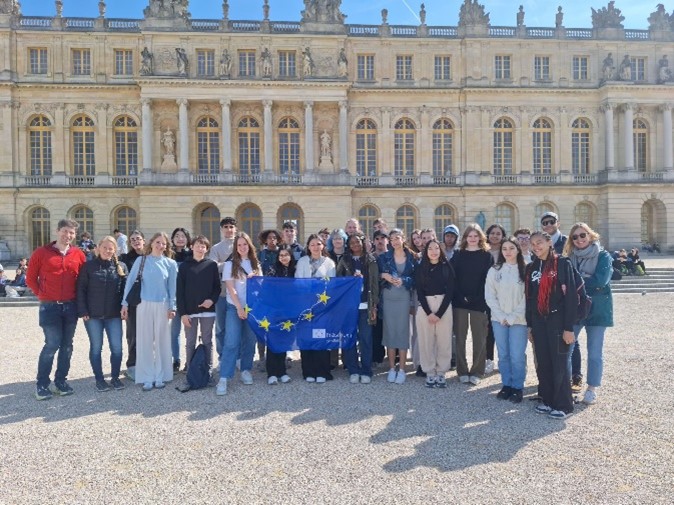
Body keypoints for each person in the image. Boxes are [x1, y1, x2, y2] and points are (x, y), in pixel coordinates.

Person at [27, 219, 87, 400]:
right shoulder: (41, 252)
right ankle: (42, 385)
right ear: (57, 231)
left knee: (67, 346)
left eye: (71, 233)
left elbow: (83, 281)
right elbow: (30, 278)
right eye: (65, 231)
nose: (68, 235)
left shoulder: (78, 254)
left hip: (70, 306)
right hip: (50, 306)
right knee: (52, 344)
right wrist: (42, 294)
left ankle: (60, 381)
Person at [526, 231, 577, 420]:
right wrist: (530, 325)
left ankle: (564, 405)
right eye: (532, 244)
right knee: (544, 362)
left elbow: (571, 296)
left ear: (549, 243)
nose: (536, 247)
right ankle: (547, 400)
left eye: (539, 242)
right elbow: (529, 299)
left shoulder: (562, 264)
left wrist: (569, 327)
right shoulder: (531, 267)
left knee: (559, 363)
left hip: (558, 320)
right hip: (539, 321)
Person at [563, 223, 613, 406]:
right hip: (575, 309)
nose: (579, 239)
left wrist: (575, 283)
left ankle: (592, 389)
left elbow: (601, 280)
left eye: (582, 235)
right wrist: (582, 281)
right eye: (575, 237)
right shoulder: (569, 258)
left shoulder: (603, 256)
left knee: (594, 352)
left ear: (591, 235)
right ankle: (564, 387)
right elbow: (564, 282)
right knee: (566, 350)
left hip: (598, 309)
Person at [121, 232, 178, 391]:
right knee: (144, 341)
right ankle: (146, 376)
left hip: (162, 305)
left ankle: (160, 375)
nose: (160, 245)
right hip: (144, 304)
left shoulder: (170, 264)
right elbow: (130, 283)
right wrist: (124, 303)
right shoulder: (141, 260)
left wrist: (172, 306)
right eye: (158, 242)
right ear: (151, 243)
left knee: (161, 341)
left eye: (164, 243)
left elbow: (172, 288)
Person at [76, 236, 128, 392]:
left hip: (114, 315)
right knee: (96, 348)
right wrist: (83, 310)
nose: (107, 251)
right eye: (104, 247)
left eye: (110, 248)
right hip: (93, 315)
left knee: (117, 348)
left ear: (115, 250)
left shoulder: (121, 267)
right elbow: (81, 289)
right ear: (98, 248)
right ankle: (99, 379)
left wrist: (125, 308)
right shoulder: (88, 266)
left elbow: (125, 291)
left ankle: (115, 378)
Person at [216, 232, 262, 396]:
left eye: (245, 244)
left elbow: (260, 288)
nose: (242, 247)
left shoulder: (256, 264)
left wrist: (255, 279)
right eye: (239, 245)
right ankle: (224, 377)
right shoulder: (230, 265)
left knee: (249, 340)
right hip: (234, 307)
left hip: (252, 308)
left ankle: (245, 369)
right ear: (236, 247)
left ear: (249, 246)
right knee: (231, 341)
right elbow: (231, 288)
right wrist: (239, 308)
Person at [485, 236, 527, 403]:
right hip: (499, 320)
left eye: (511, 248)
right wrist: (502, 316)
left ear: (518, 249)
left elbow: (527, 297)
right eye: (504, 249)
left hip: (519, 320)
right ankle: (506, 385)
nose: (508, 252)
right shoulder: (494, 270)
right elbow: (490, 295)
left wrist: (512, 316)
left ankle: (517, 387)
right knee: (503, 354)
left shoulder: (525, 269)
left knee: (517, 355)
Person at [451, 223, 494, 385]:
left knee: (479, 339)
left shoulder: (486, 256)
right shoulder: (458, 254)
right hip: (460, 301)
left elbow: (487, 280)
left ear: (481, 237)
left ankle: (477, 371)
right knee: (460, 338)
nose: (473, 238)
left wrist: (476, 297)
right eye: (470, 236)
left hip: (480, 301)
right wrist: (461, 296)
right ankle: (462, 370)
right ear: (465, 238)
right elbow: (453, 277)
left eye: (476, 236)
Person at [337, 233, 380, 384]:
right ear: (348, 245)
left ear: (362, 243)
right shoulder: (344, 260)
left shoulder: (371, 260)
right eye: (352, 243)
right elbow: (338, 282)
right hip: (348, 306)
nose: (355, 245)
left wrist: (374, 305)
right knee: (349, 338)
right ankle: (353, 369)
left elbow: (375, 284)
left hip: (366, 305)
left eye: (357, 242)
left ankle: (366, 370)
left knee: (366, 339)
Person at [176, 235, 220, 379]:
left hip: (208, 311)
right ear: (192, 247)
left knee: (207, 341)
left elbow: (217, 287)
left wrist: (211, 300)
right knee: (190, 342)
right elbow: (180, 292)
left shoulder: (212, 265)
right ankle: (190, 372)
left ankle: (208, 372)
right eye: (198, 245)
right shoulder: (184, 266)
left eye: (203, 246)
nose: (200, 248)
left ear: (207, 249)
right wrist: (183, 313)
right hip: (190, 311)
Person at [295, 234, 336, 383]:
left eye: (318, 244)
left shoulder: (329, 263)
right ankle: (308, 371)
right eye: (312, 244)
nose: (315, 247)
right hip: (305, 305)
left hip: (322, 307)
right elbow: (298, 281)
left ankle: (322, 371)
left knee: (320, 338)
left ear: (323, 245)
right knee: (306, 338)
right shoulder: (302, 261)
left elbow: (331, 284)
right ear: (308, 247)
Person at [415, 239, 455, 388]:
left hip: (443, 305)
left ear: (440, 250)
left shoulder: (447, 267)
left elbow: (450, 291)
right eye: (430, 248)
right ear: (426, 252)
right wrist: (429, 313)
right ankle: (429, 372)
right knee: (426, 341)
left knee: (444, 341)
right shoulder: (421, 268)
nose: (433, 251)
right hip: (425, 306)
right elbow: (419, 292)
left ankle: (441, 372)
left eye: (436, 248)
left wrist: (439, 313)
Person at [378, 228, 416, 385]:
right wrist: (384, 275)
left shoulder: (412, 257)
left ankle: (402, 369)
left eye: (397, 238)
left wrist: (404, 280)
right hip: (388, 298)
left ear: (403, 239)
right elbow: (375, 275)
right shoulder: (384, 257)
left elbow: (416, 278)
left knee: (402, 331)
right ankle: (392, 368)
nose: (394, 241)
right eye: (392, 239)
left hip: (404, 298)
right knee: (390, 331)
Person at [265, 244, 296, 384]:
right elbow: (266, 287)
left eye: (286, 255)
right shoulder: (273, 269)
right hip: (274, 309)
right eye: (281, 255)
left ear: (291, 256)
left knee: (284, 341)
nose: (283, 258)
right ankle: (271, 373)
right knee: (273, 340)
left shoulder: (295, 270)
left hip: (289, 310)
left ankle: (282, 371)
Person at [209, 217, 237, 363]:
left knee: (237, 327)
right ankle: (222, 357)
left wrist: (224, 265)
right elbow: (213, 267)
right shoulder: (216, 248)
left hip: (238, 293)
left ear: (235, 229)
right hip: (221, 293)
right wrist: (231, 265)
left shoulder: (241, 245)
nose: (228, 229)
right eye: (226, 227)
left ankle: (237, 357)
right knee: (220, 328)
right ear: (221, 229)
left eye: (231, 227)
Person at [119, 230, 145, 381]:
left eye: (138, 238)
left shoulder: (150, 257)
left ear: (144, 240)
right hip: (133, 301)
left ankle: (145, 362)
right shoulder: (125, 258)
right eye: (133, 239)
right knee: (133, 334)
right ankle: (132, 364)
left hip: (148, 300)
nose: (135, 241)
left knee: (148, 333)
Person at [485, 223, 507, 373]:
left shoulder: (506, 250)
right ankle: (489, 359)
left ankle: (503, 359)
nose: (495, 236)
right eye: (492, 233)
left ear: (503, 236)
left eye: (498, 233)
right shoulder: (483, 251)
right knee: (488, 329)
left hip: (503, 295)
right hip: (488, 293)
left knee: (503, 327)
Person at [170, 227, 192, 372]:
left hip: (188, 297)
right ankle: (175, 359)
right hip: (172, 297)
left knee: (190, 332)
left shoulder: (191, 255)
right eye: (177, 236)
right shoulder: (168, 255)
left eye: (183, 236)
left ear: (187, 239)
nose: (180, 239)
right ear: (172, 239)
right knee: (174, 331)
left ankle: (189, 360)